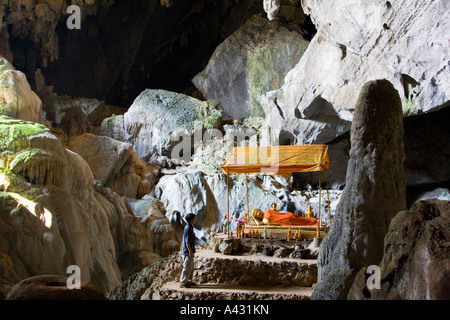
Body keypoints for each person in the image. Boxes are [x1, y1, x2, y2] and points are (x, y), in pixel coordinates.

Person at [180, 213, 197, 288]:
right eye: (194, 219)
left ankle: (188, 281)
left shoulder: (190, 227)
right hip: (187, 251)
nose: (195, 220)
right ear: (191, 220)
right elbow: (187, 242)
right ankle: (183, 282)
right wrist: (190, 251)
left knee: (191, 266)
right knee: (187, 266)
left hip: (190, 250)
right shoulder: (187, 228)